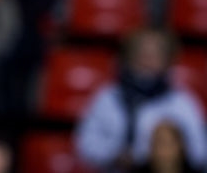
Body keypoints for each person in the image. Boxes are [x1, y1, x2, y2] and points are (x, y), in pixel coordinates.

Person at [75, 28, 207, 171]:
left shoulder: (182, 102)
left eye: (154, 54)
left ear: (167, 60)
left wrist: (160, 156)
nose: (146, 60)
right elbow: (84, 144)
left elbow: (200, 152)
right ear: (128, 57)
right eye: (141, 53)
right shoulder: (108, 97)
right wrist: (114, 155)